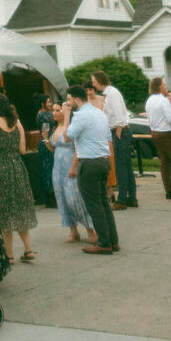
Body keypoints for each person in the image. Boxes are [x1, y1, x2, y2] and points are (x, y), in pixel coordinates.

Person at [63, 85, 119, 254]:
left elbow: (66, 137)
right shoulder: (99, 113)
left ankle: (103, 242)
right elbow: (109, 138)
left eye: (69, 99)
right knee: (103, 202)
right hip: (103, 160)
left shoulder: (80, 116)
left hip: (89, 162)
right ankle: (112, 240)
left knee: (94, 204)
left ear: (77, 99)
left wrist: (66, 117)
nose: (68, 103)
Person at [0, 94, 37, 264]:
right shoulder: (17, 122)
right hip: (17, 166)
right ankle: (28, 249)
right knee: (19, 208)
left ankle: (9, 255)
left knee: (3, 210)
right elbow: (22, 150)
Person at [44, 102, 97, 244]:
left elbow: (77, 148)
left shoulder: (70, 127)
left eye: (58, 110)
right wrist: (46, 140)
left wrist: (74, 167)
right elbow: (53, 149)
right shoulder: (55, 128)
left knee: (75, 198)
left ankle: (90, 229)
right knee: (62, 199)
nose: (54, 113)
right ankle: (73, 231)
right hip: (57, 167)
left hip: (70, 165)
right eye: (53, 110)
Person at [90, 71, 136, 209]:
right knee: (126, 166)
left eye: (93, 81)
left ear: (99, 80)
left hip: (119, 130)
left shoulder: (112, 93)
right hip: (117, 130)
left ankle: (121, 200)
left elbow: (119, 115)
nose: (93, 84)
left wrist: (119, 132)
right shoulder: (108, 93)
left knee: (121, 167)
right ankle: (132, 197)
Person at [146, 77, 171, 200]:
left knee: (164, 162)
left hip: (155, 132)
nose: (165, 87)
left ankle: (169, 191)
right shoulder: (163, 101)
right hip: (166, 133)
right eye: (164, 84)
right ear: (159, 87)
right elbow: (169, 119)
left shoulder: (149, 100)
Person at [35, 94, 56, 207]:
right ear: (43, 103)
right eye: (48, 102)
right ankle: (50, 195)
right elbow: (45, 132)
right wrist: (48, 142)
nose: (50, 104)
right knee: (48, 169)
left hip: (49, 141)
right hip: (47, 143)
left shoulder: (47, 114)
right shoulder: (44, 116)